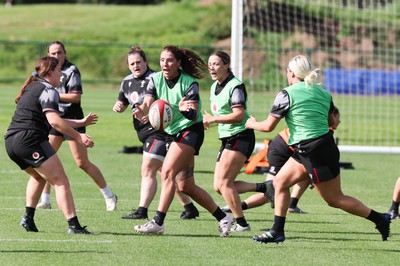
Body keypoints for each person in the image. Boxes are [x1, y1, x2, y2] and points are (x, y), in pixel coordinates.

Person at [245, 55, 391, 243]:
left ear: (290, 73)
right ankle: (277, 231)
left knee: (334, 199)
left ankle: (380, 219)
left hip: (312, 151)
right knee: (279, 183)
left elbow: (267, 127)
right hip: (316, 147)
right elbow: (331, 122)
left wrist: (251, 123)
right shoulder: (324, 94)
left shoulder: (286, 94)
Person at [133, 45, 233, 237]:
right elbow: (148, 102)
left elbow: (193, 111)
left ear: (178, 63)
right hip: (172, 132)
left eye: (169, 60)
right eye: (162, 60)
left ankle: (158, 221)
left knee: (168, 172)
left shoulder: (189, 83)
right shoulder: (155, 79)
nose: (165, 64)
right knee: (185, 186)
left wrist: (186, 109)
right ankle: (223, 217)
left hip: (190, 131)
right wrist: (142, 110)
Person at [4, 57, 95, 234]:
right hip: (29, 140)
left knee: (39, 177)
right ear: (49, 72)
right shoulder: (49, 90)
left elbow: (54, 119)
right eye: (58, 70)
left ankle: (28, 219)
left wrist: (80, 122)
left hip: (11, 142)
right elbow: (54, 122)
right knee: (61, 182)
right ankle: (74, 226)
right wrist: (78, 137)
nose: (61, 74)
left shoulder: (32, 87)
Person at [113, 46, 200, 220]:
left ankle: (145, 212)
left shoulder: (155, 78)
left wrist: (150, 113)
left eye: (139, 62)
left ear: (145, 62)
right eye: (132, 63)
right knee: (171, 176)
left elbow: (155, 105)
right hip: (144, 130)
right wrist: (124, 107)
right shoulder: (127, 82)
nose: (136, 66)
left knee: (150, 169)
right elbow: (126, 101)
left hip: (159, 130)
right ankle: (189, 207)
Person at [36, 41, 117, 211]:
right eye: (53, 53)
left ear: (65, 53)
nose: (56, 56)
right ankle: (45, 199)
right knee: (46, 160)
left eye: (59, 53)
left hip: (72, 118)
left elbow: (75, 97)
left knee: (82, 162)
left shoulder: (72, 70)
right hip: (55, 119)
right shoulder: (47, 71)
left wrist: (53, 95)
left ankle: (109, 195)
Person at [222, 106, 341, 214]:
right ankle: (233, 206)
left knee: (304, 177)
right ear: (331, 116)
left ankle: (292, 205)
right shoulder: (322, 129)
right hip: (280, 150)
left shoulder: (319, 127)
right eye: (338, 117)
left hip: (285, 149)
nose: (339, 121)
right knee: (272, 190)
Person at [202, 51, 257, 232]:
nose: (212, 67)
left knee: (225, 183)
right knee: (219, 186)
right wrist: (210, 120)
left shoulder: (235, 86)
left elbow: (239, 115)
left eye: (216, 64)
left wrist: (214, 120)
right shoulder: (214, 86)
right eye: (210, 64)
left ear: (226, 65)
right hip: (228, 138)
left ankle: (242, 224)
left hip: (241, 136)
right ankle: (265, 187)